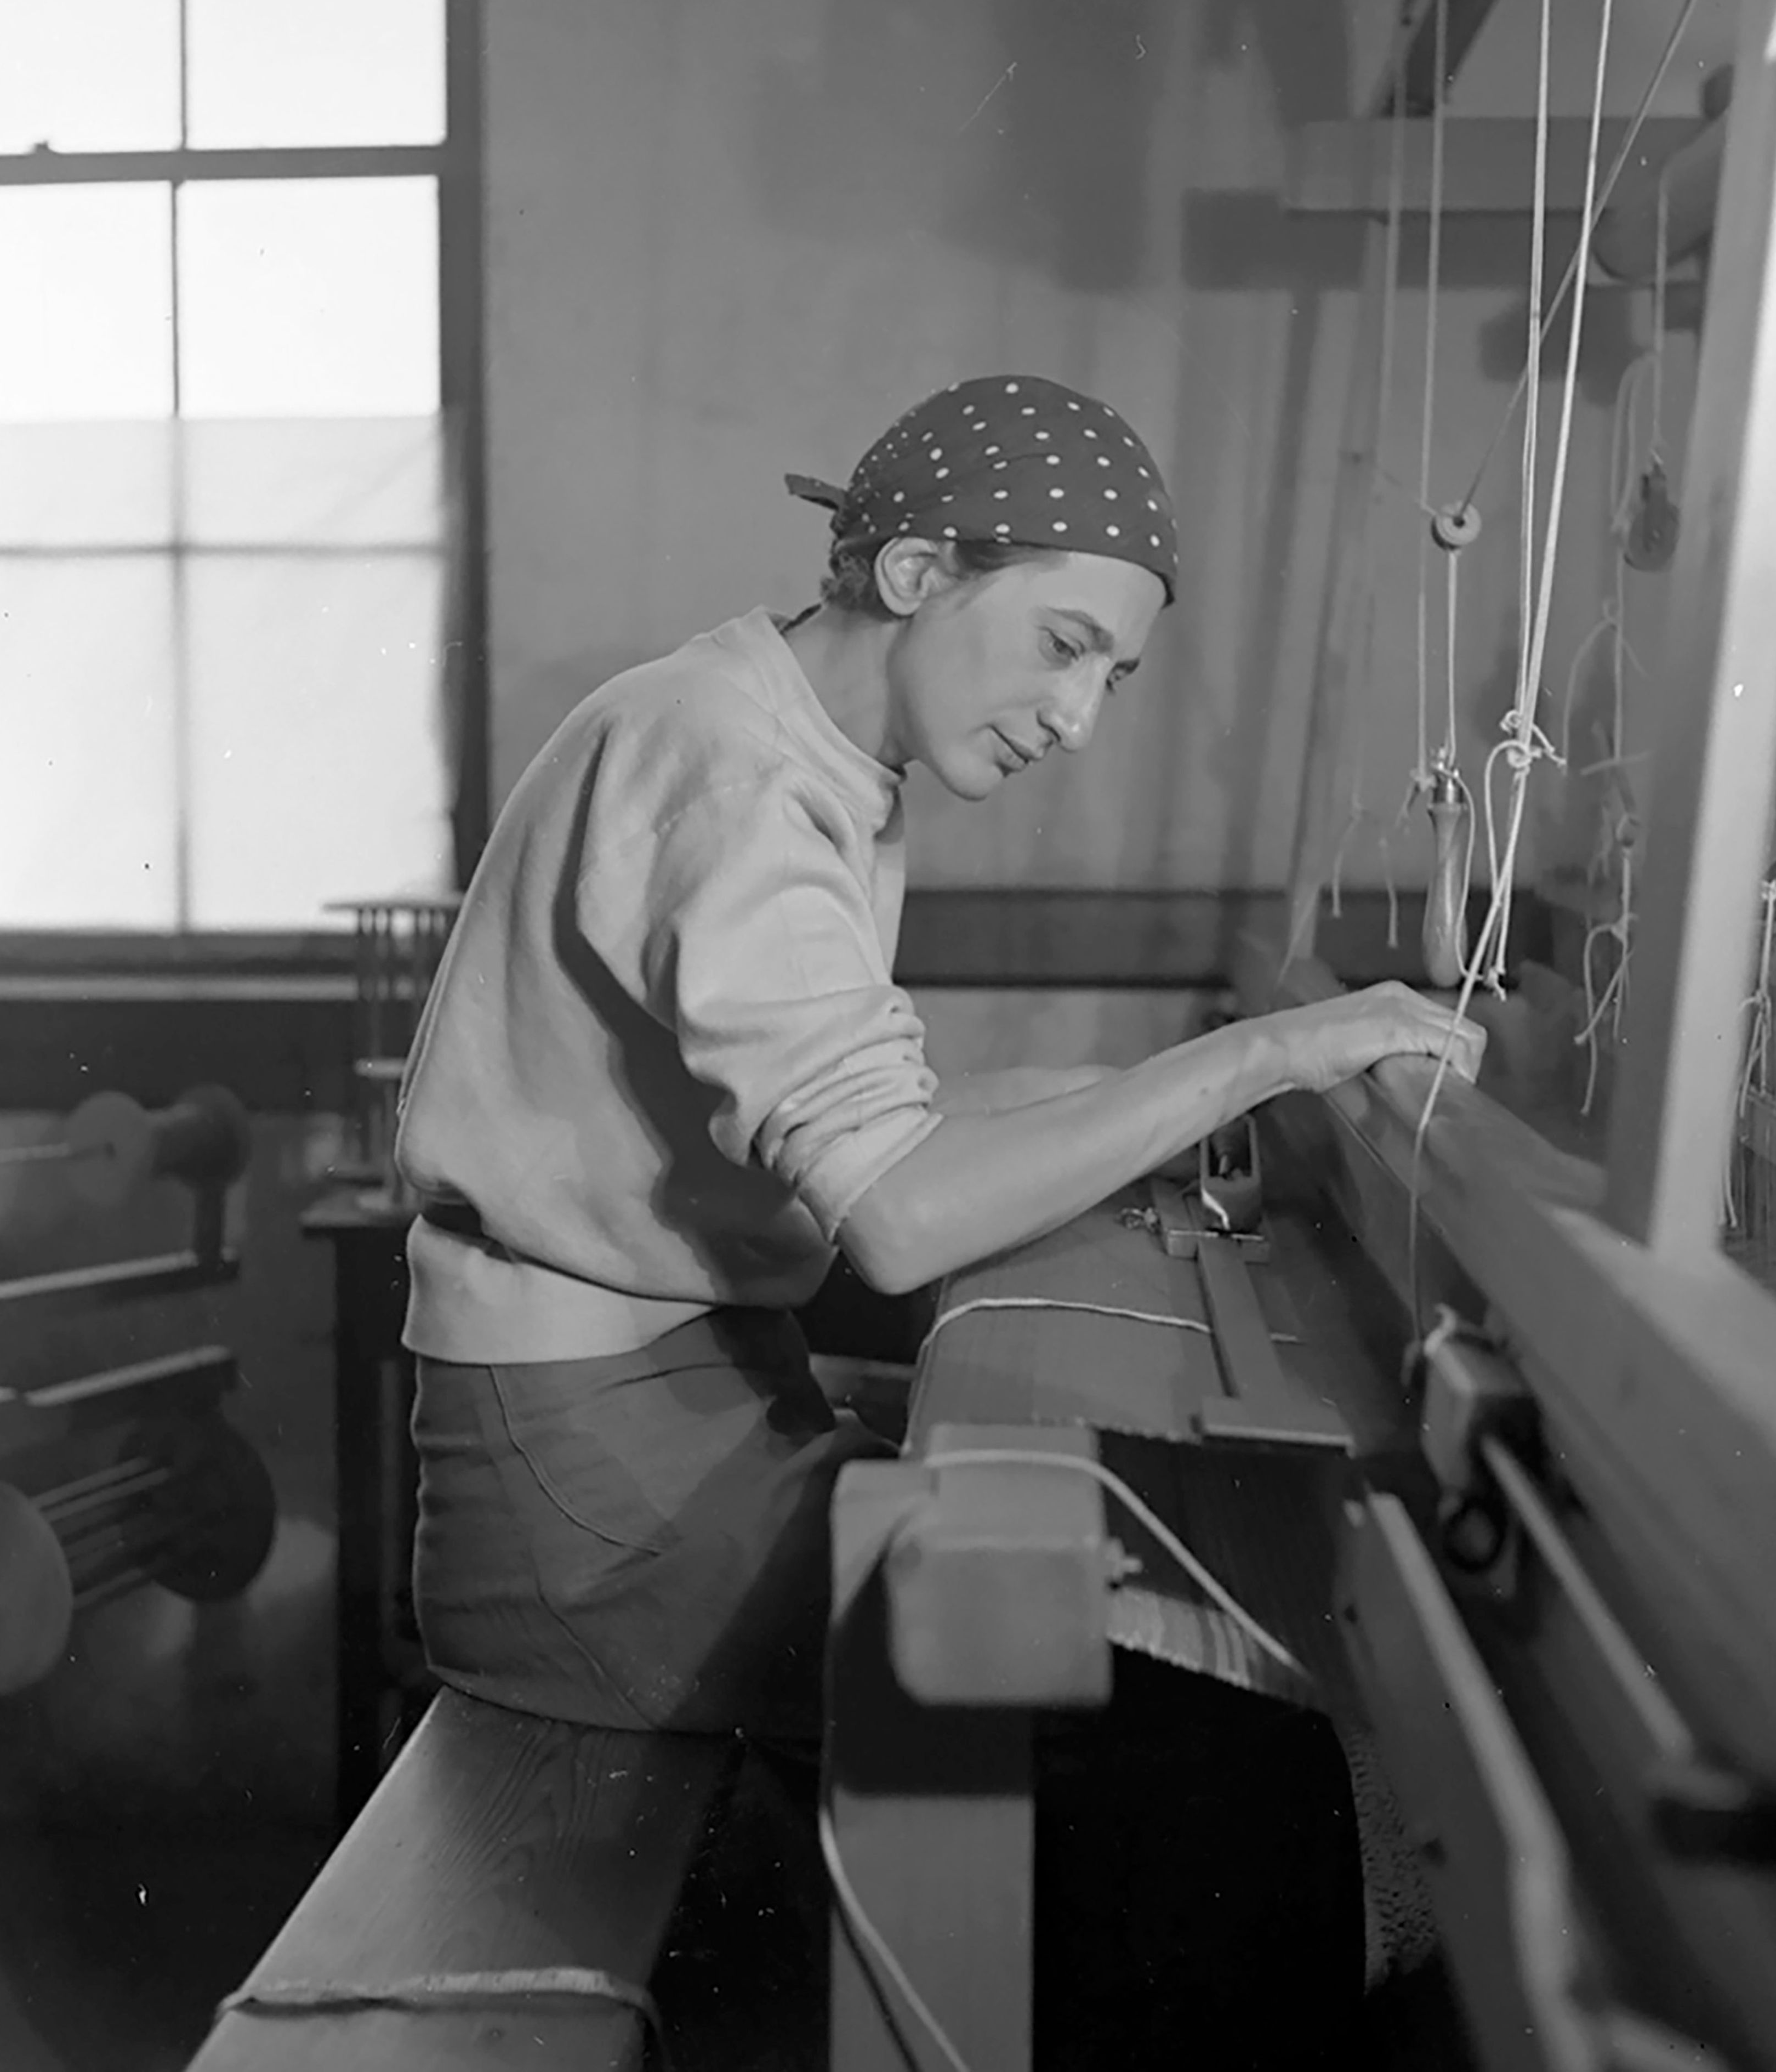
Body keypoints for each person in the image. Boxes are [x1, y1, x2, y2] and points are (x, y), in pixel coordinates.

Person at [392, 372, 1482, 2063]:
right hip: (589, 1502)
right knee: (1237, 1796)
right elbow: (900, 1218)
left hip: (661, 1424)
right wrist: (1266, 1054)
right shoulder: (736, 773)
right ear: (913, 576)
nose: (1081, 718)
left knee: (1176, 1747)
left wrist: (1176, 1095)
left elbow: (890, 1118)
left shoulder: (786, 744)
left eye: (1114, 676)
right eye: (1061, 644)